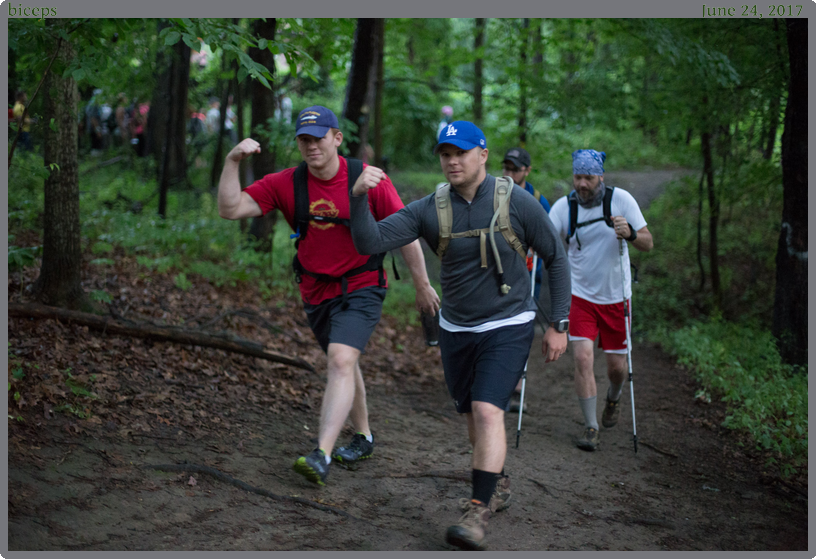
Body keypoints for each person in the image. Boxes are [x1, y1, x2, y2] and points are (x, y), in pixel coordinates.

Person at [347, 121, 571, 550]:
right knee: (472, 416)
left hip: (508, 323)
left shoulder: (517, 201)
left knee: (488, 411)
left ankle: (477, 511)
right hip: (456, 328)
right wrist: (359, 197)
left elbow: (556, 259)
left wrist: (559, 324)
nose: (452, 161)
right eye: (445, 154)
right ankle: (497, 480)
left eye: (460, 153)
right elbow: (369, 241)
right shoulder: (430, 207)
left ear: (482, 155)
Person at [216, 105, 439, 486]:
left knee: (339, 359)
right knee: (345, 363)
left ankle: (321, 453)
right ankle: (364, 436)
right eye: (303, 139)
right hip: (315, 290)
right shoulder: (287, 183)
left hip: (362, 284)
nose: (310, 145)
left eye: (318, 137)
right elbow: (230, 208)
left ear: (336, 138)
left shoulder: (368, 180)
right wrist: (232, 160)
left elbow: (407, 233)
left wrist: (421, 284)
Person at [547, 149, 653, 451]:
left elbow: (648, 242)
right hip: (579, 296)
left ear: (601, 177)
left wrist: (631, 233)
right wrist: (531, 251)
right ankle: (591, 426)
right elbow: (544, 238)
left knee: (616, 368)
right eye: (577, 177)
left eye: (588, 178)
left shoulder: (621, 201)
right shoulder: (564, 207)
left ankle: (614, 397)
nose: (581, 184)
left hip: (616, 297)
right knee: (582, 358)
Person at [501, 147, 552, 414]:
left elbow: (550, 240)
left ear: (527, 171)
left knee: (522, 328)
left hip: (530, 274)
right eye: (506, 168)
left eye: (515, 169)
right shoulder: (494, 192)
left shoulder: (538, 200)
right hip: (498, 272)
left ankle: (517, 384)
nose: (509, 173)